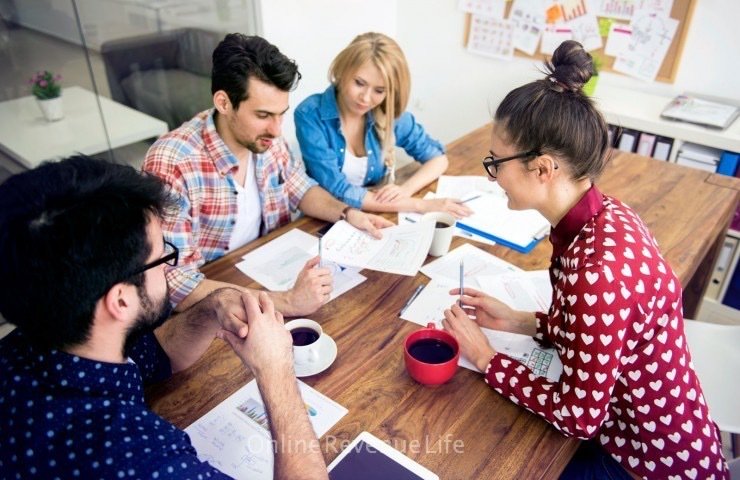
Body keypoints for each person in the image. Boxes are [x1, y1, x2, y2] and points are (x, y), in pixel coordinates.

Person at [442, 41, 729, 479]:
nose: (493, 174)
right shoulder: (608, 214)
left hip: (642, 460)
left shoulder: (596, 277)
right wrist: (522, 321)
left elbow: (579, 418)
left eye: (496, 162)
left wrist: (486, 359)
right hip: (673, 430)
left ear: (543, 169)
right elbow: (601, 335)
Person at [0, 156, 328, 480]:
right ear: (120, 300)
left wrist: (214, 305)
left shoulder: (45, 339)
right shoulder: (134, 458)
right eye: (160, 258)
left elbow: (160, 352)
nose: (169, 269)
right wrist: (275, 372)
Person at [144, 34, 392, 314]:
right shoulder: (173, 163)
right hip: (213, 302)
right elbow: (175, 284)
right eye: (263, 115)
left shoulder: (266, 139)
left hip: (267, 270)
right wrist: (286, 301)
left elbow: (301, 188)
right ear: (224, 103)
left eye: (280, 114)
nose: (276, 130)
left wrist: (348, 213)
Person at [294, 32, 472, 218]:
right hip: (327, 216)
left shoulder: (388, 113)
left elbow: (438, 159)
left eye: (379, 90)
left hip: (377, 214)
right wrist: (420, 205)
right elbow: (338, 189)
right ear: (342, 71)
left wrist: (405, 190)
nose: (366, 98)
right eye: (359, 83)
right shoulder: (310, 114)